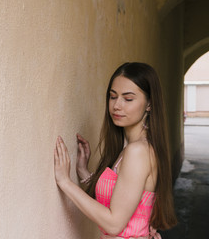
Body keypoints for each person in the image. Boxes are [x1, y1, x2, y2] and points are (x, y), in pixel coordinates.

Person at [54, 62, 177, 239]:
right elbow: (118, 201)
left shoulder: (138, 152)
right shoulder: (130, 148)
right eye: (113, 97)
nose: (117, 106)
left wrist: (65, 182)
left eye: (128, 99)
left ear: (149, 104)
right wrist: (84, 173)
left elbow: (114, 223)